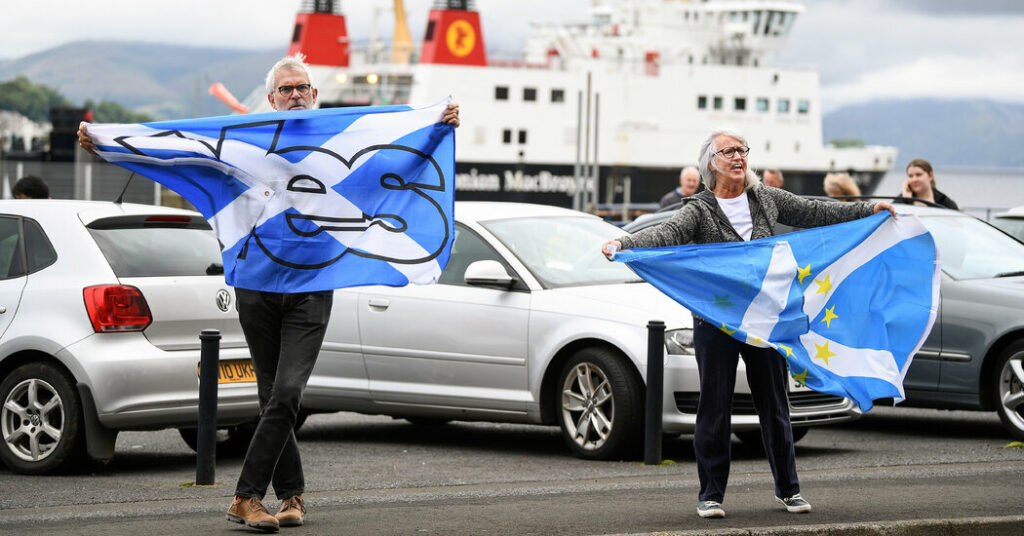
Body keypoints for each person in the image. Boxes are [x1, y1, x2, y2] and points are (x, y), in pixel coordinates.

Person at [79, 54, 460, 532]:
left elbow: (391, 153)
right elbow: (184, 154)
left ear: (315, 95)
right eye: (286, 89)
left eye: (303, 87)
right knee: (270, 395)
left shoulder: (340, 135)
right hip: (257, 284)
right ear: (272, 98)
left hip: (312, 287)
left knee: (286, 392)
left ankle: (245, 496)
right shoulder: (247, 143)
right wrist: (109, 144)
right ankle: (293, 495)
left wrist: (437, 124)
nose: (296, 94)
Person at [601, 129, 893, 520]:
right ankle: (711, 495)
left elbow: (816, 212)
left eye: (743, 150)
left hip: (767, 320)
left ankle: (789, 490)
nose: (739, 157)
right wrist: (625, 244)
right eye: (730, 151)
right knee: (714, 407)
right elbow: (665, 233)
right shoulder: (698, 209)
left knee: (774, 405)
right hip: (716, 322)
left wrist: (867, 209)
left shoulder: (766, 199)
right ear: (712, 162)